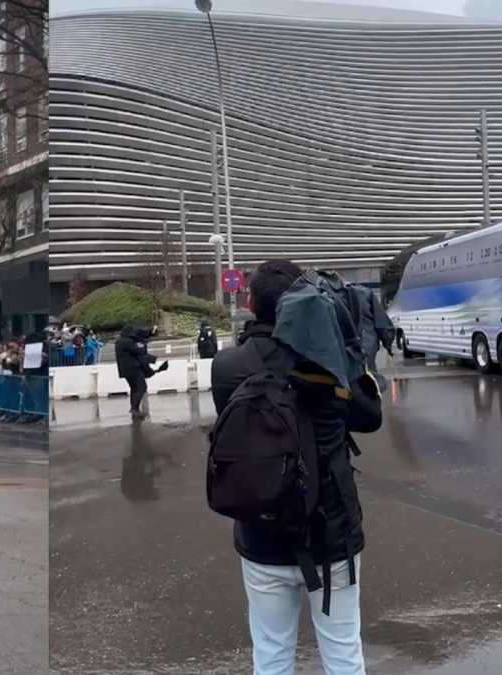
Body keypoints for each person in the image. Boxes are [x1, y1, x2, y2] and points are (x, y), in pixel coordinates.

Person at [210, 260, 382, 675]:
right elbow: (370, 417)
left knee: (271, 653)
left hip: (261, 531)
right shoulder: (329, 360)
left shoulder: (228, 365)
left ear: (250, 304)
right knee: (343, 653)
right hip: (332, 533)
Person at [115, 324, 156, 419]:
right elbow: (140, 351)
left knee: (134, 389)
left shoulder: (120, 341)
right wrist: (144, 344)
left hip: (125, 369)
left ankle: (135, 410)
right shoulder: (126, 342)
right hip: (132, 368)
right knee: (142, 387)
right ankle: (134, 408)